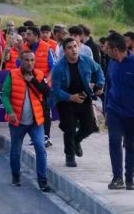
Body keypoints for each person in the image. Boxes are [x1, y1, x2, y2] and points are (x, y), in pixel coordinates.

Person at [0, 50, 52, 192]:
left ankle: (42, 180)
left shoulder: (39, 75)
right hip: (17, 121)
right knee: (16, 150)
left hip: (36, 121)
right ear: (20, 61)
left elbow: (47, 92)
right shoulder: (12, 74)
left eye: (32, 60)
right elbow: (4, 95)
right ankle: (16, 175)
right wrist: (10, 112)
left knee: (40, 148)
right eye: (26, 60)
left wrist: (33, 80)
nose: (29, 63)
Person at [50, 37, 105, 167]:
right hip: (65, 100)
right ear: (65, 51)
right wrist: (70, 97)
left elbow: (98, 71)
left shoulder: (87, 61)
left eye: (75, 46)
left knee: (89, 127)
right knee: (69, 127)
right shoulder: (58, 67)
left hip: (84, 96)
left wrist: (100, 84)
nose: (73, 50)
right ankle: (70, 156)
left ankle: (76, 141)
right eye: (70, 48)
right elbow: (56, 90)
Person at [103, 33, 134, 190]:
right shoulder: (111, 63)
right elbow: (108, 86)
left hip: (132, 113)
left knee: (131, 145)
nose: (105, 50)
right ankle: (117, 177)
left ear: (115, 49)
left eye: (107, 48)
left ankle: (130, 178)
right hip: (114, 110)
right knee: (114, 141)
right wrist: (106, 109)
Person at [23, 25, 55, 147]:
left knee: (45, 110)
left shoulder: (47, 48)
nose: (26, 37)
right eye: (26, 34)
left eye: (29, 34)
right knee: (33, 110)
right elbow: (18, 65)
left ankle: (46, 136)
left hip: (43, 84)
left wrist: (47, 81)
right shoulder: (24, 48)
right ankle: (36, 136)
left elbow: (54, 67)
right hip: (29, 84)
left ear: (36, 36)